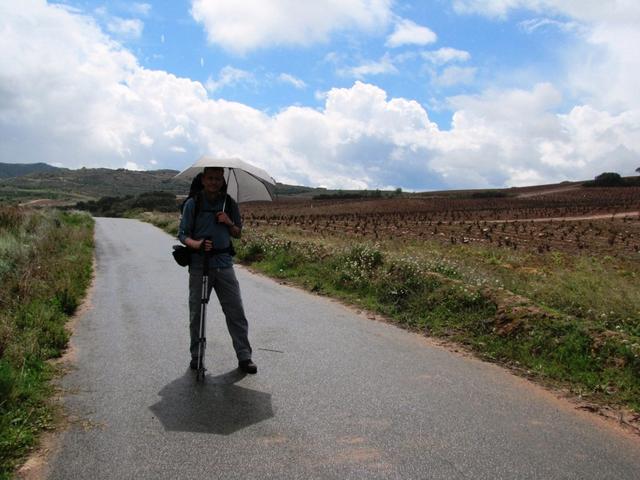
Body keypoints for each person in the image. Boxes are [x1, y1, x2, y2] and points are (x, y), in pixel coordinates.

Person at [178, 166, 257, 374]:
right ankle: (196, 356)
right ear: (203, 179)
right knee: (197, 312)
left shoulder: (229, 204)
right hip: (199, 264)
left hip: (224, 265)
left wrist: (228, 222)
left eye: (218, 179)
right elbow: (182, 235)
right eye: (210, 178)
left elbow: (238, 233)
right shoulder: (192, 204)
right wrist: (197, 244)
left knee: (235, 311)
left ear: (223, 181)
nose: (214, 182)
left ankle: (244, 356)